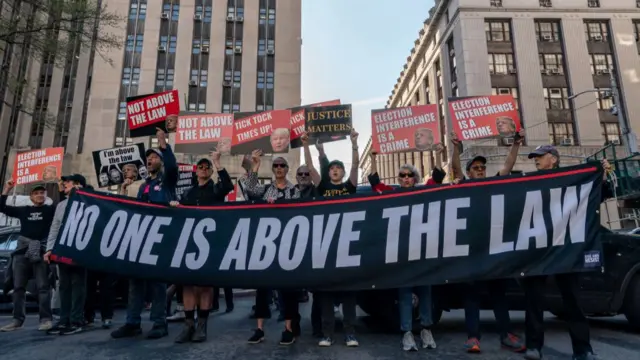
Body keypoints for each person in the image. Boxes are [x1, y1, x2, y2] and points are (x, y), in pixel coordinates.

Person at [522, 145, 612, 360]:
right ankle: (534, 346)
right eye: (535, 157)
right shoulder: (532, 183)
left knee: (572, 299)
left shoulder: (572, 181)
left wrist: (603, 176)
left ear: (552, 159)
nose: (536, 160)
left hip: (567, 249)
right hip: (539, 250)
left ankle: (583, 349)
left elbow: (595, 198)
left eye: (539, 157)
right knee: (534, 300)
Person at [450, 129, 527, 354]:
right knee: (471, 296)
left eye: (483, 168)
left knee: (498, 295)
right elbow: (455, 166)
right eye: (476, 168)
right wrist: (455, 147)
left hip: (494, 251)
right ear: (469, 173)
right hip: (472, 251)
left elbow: (508, 166)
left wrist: (515, 145)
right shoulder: (464, 185)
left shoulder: (494, 184)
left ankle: (506, 335)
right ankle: (473, 337)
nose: (481, 171)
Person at [111, 127, 178, 340]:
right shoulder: (143, 186)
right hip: (140, 239)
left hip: (158, 239)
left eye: (153, 157)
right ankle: (133, 323)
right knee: (135, 282)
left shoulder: (166, 182)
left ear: (161, 161)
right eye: (147, 158)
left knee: (157, 284)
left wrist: (163, 143)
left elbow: (174, 167)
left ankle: (160, 323)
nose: (149, 160)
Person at [367, 152, 437, 351]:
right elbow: (375, 183)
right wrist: (373, 158)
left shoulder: (424, 192)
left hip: (423, 250)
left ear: (415, 178)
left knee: (425, 291)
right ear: (398, 179)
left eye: (409, 175)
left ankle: (426, 329)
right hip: (402, 251)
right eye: (402, 175)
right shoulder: (393, 192)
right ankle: (407, 332)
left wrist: (439, 153)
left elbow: (437, 179)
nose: (406, 178)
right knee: (405, 293)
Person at [303, 129, 360, 347]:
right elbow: (309, 167)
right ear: (328, 172)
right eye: (332, 168)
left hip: (346, 245)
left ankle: (350, 333)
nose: (335, 170)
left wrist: (354, 144)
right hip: (325, 246)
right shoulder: (322, 186)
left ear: (343, 173)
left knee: (348, 293)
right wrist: (308, 145)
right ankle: (327, 333)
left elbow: (356, 167)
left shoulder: (349, 187)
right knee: (326, 293)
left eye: (339, 168)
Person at [171, 150, 233, 344]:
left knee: (205, 286)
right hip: (190, 244)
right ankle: (188, 325)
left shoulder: (216, 189)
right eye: (201, 167)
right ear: (196, 171)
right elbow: (180, 211)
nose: (204, 169)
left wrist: (217, 162)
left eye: (207, 167)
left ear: (210, 171)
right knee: (188, 285)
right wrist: (175, 206)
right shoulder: (189, 191)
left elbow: (229, 186)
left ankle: (202, 326)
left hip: (210, 244)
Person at [243, 150, 301, 345]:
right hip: (266, 244)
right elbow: (250, 190)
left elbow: (300, 213)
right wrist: (255, 166)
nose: (278, 168)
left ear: (287, 169)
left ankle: (288, 329)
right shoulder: (266, 189)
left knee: (288, 289)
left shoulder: (294, 191)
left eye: (282, 165)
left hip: (287, 245)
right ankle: (259, 329)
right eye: (275, 165)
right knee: (262, 289)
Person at [0, 182, 56, 332]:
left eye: (42, 193)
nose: (39, 195)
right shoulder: (24, 210)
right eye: (36, 193)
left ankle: (45, 319)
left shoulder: (50, 210)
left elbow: (66, 208)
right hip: (22, 252)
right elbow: (2, 207)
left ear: (45, 196)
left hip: (41, 251)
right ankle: (17, 320)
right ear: (31, 197)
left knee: (43, 287)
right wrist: (7, 189)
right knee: (18, 287)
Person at [43, 174, 90, 335]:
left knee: (78, 285)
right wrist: (49, 249)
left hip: (80, 249)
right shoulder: (61, 205)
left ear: (78, 185)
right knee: (64, 286)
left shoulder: (87, 201)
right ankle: (64, 320)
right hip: (62, 250)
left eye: (68, 182)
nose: (64, 184)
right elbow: (55, 227)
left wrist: (82, 194)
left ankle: (76, 320)